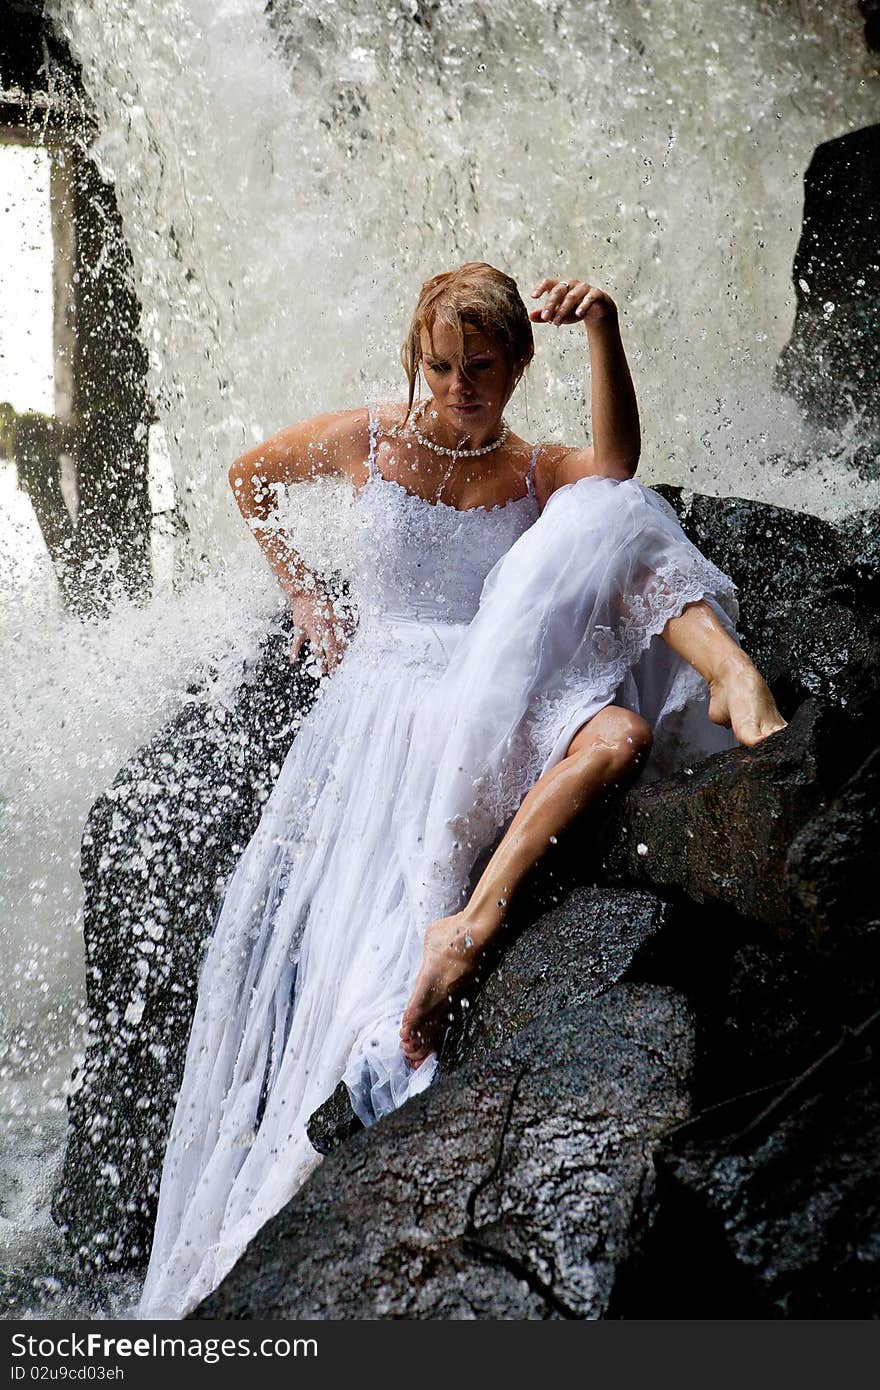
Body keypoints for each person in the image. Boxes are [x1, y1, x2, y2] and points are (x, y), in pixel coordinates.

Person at [137, 263, 785, 1318]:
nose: (457, 387)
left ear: (516, 366)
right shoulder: (369, 438)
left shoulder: (533, 469)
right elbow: (247, 476)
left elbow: (617, 464)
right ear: (417, 359)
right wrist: (305, 595)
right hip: (393, 704)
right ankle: (727, 678)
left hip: (488, 679)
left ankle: (470, 926)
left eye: (481, 368)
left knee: (616, 588)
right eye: (440, 366)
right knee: (614, 648)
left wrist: (603, 330)